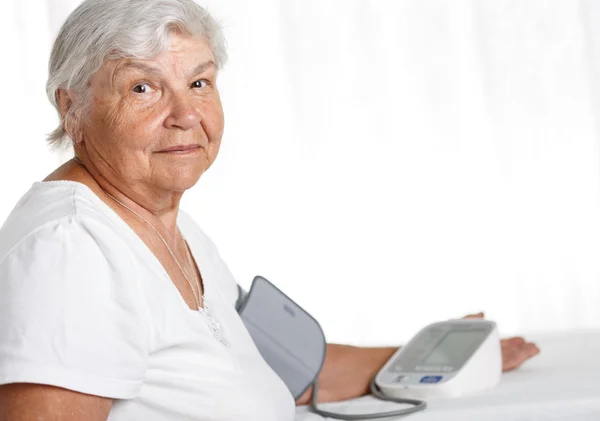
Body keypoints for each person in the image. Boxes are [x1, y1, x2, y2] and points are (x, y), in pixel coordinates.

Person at [0, 0, 540, 420]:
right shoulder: (71, 249)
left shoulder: (166, 224)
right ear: (72, 107)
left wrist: (427, 353)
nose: (185, 114)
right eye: (143, 87)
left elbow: (285, 371)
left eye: (198, 82)